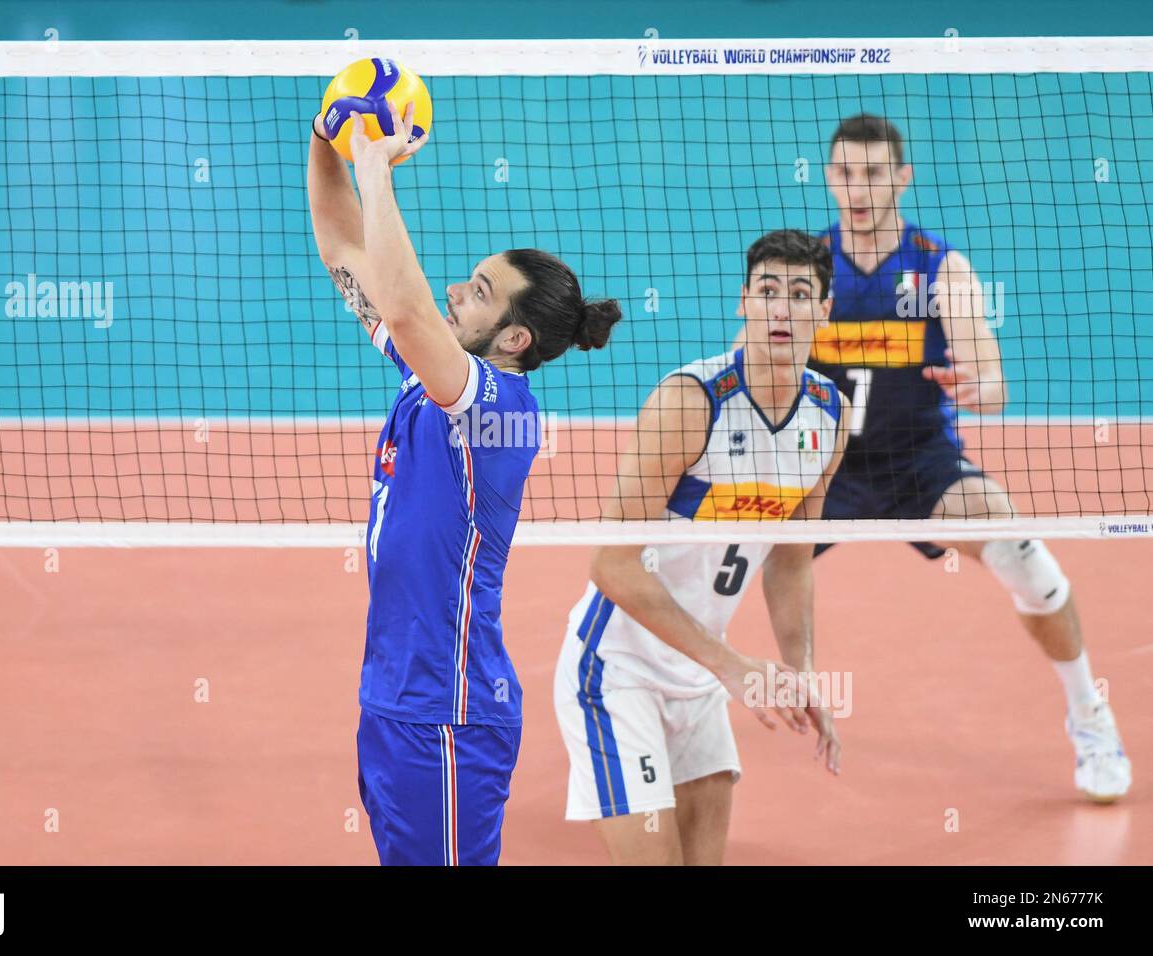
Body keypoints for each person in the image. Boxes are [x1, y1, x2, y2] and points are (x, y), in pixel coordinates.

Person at [308, 103, 621, 864]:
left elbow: (411, 312)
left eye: (479, 291)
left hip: (448, 716)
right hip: (393, 701)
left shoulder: (497, 409)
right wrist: (326, 142)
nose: (456, 289)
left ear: (514, 339)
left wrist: (377, 169)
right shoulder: (432, 380)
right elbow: (344, 250)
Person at [809, 113, 1130, 802]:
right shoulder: (808, 266)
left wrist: (978, 385)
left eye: (873, 173)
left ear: (902, 176)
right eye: (845, 172)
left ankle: (1089, 714)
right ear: (829, 177)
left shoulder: (938, 267)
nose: (857, 187)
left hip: (918, 462)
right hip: (819, 471)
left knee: (1019, 548)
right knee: (696, 554)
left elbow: (992, 383)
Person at [554, 229, 848, 865]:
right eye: (767, 291)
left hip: (700, 676)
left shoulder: (829, 415)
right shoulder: (691, 403)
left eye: (801, 294)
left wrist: (798, 671)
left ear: (824, 310)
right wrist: (733, 666)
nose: (781, 308)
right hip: (616, 673)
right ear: (744, 301)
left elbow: (793, 558)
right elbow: (609, 563)